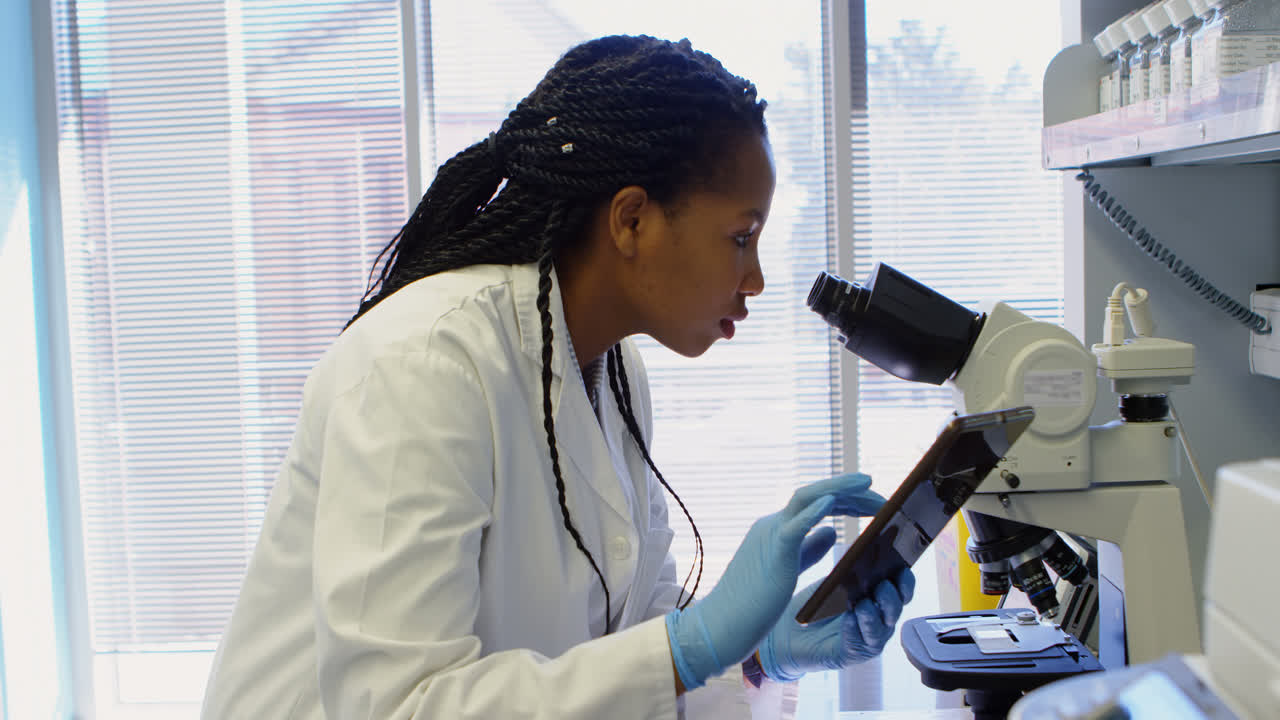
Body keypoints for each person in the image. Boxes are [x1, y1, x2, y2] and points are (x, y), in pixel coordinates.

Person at [200, 34, 914, 720]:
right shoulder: (424, 363)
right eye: (739, 237)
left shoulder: (614, 372)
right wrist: (692, 646)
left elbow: (631, 641)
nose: (755, 279)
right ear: (631, 220)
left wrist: (756, 654)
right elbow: (398, 706)